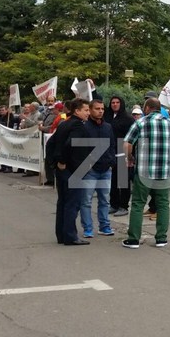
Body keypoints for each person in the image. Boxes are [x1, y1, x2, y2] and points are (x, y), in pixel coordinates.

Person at [122, 98, 170, 249]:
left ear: (148, 108)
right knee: (163, 204)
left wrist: (130, 158)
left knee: (138, 204)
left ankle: (133, 240)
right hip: (164, 171)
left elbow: (127, 144)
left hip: (144, 171)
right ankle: (161, 238)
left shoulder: (140, 123)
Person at [48, 98, 91, 245]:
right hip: (73, 169)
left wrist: (53, 163)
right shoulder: (77, 126)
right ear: (77, 111)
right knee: (72, 203)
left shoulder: (64, 124)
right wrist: (61, 161)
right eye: (86, 110)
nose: (88, 113)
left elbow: (50, 143)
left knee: (63, 202)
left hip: (64, 170)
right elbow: (70, 144)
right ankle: (70, 236)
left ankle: (62, 234)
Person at [80, 98, 116, 238]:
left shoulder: (108, 127)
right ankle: (88, 228)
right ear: (90, 110)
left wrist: (111, 161)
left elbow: (112, 145)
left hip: (106, 169)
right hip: (89, 170)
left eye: (102, 109)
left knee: (104, 200)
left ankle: (104, 226)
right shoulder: (84, 127)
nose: (100, 111)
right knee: (86, 201)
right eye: (97, 109)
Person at [106, 96, 135, 217]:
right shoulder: (107, 117)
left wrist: (130, 155)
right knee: (113, 181)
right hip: (110, 151)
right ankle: (114, 204)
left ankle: (123, 206)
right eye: (112, 102)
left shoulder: (128, 119)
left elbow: (132, 138)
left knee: (123, 181)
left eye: (117, 102)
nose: (115, 104)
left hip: (123, 151)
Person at [0, 104, 20, 173]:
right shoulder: (0, 117)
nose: (1, 111)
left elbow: (12, 122)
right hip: (1, 137)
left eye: (3, 110)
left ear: (6, 110)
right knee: (1, 152)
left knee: (8, 152)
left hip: (8, 137)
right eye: (0, 110)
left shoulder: (9, 116)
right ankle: (3, 166)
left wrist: (10, 113)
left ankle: (9, 167)